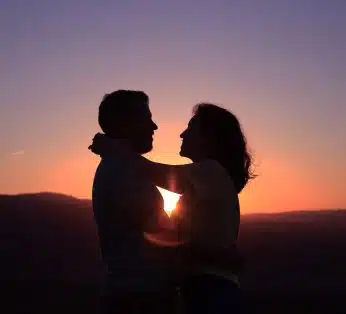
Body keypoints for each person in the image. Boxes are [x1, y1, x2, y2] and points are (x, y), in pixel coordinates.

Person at [89, 103, 256, 314]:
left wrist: (114, 150)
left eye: (191, 127)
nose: (182, 133)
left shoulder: (211, 171)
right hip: (207, 290)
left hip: (211, 292)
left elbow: (154, 172)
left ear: (209, 136)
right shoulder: (207, 180)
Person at [91, 90, 178, 314]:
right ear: (123, 124)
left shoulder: (124, 167)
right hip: (139, 300)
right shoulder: (121, 172)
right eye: (146, 118)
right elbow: (162, 238)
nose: (154, 126)